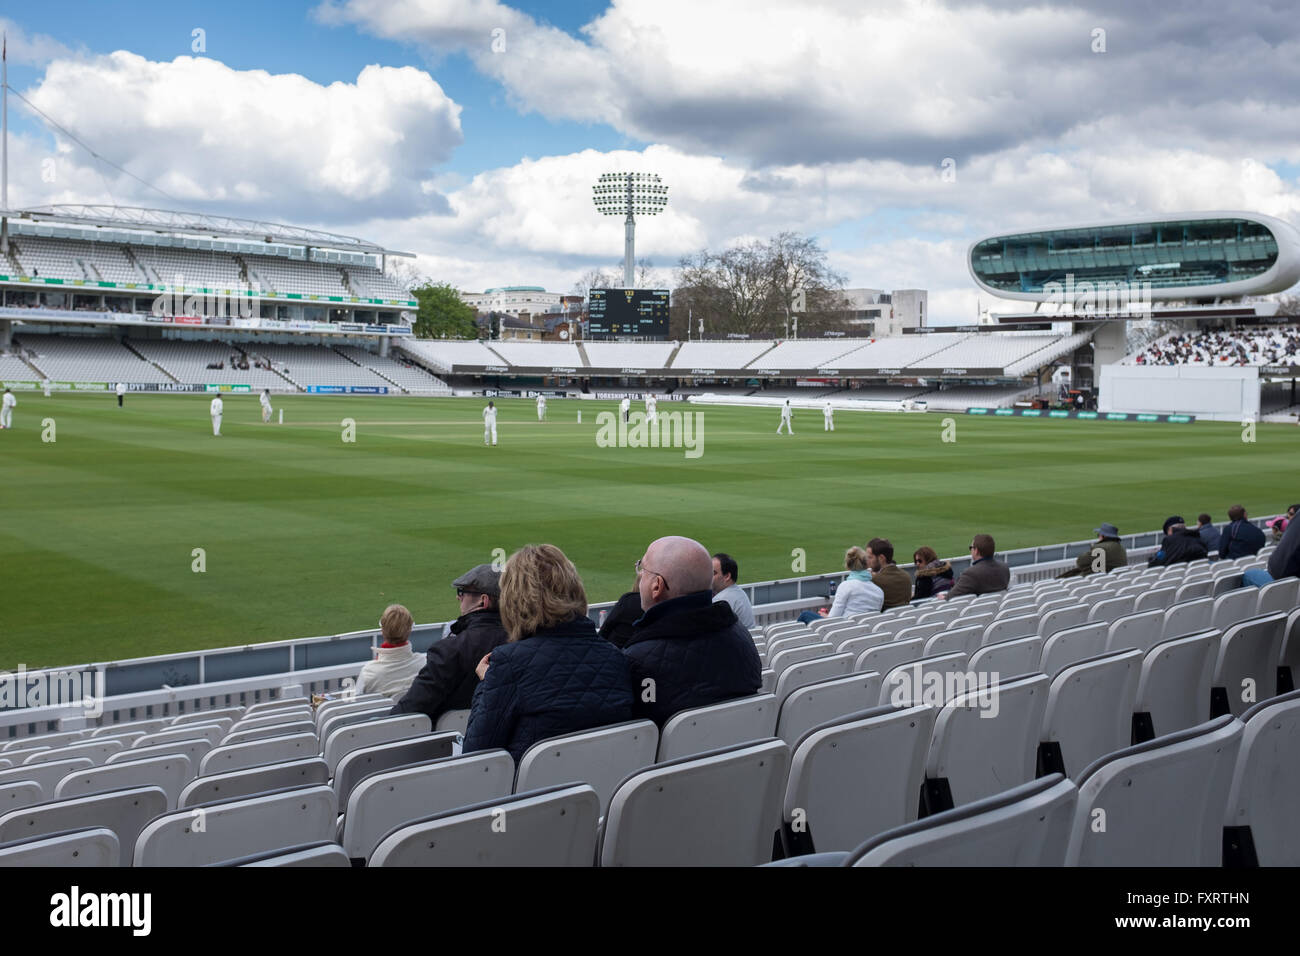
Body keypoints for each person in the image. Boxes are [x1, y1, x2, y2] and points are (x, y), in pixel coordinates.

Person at [462, 545, 634, 763]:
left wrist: (487, 683)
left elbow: (475, 756)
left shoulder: (509, 663)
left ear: (514, 599)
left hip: (532, 794)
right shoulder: (615, 657)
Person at [622, 536, 762, 726]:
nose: (640, 577)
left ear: (657, 586)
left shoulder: (637, 659)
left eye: (642, 569)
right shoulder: (742, 637)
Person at [391, 564, 509, 722]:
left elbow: (406, 714)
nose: (458, 597)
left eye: (462, 593)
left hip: (446, 742)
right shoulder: (522, 642)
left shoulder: (449, 651)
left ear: (483, 601)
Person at [355, 604, 425, 701]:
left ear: (382, 631)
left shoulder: (369, 672)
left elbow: (356, 703)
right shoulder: (424, 663)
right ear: (409, 630)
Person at [799, 547, 882, 623]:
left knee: (805, 615)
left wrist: (826, 616)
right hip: (863, 632)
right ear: (867, 564)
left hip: (843, 632)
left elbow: (833, 618)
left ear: (848, 566)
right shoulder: (879, 591)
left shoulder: (846, 586)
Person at [942, 534, 1011, 598]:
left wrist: (944, 597)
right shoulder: (1004, 568)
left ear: (976, 551)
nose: (970, 550)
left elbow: (950, 598)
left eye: (971, 548)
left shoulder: (971, 574)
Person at [1058, 523, 1128, 578]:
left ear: (1103, 536)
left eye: (1099, 535)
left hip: (1100, 579)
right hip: (1113, 579)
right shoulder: (1121, 548)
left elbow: (1080, 562)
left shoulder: (1100, 547)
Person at [710, 552, 756, 629]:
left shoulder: (721, 601)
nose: (708, 576)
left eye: (713, 573)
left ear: (727, 576)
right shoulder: (737, 592)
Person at [866, 538, 912, 609]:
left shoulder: (874, 580)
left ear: (881, 558)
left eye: (870, 557)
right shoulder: (906, 576)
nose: (867, 561)